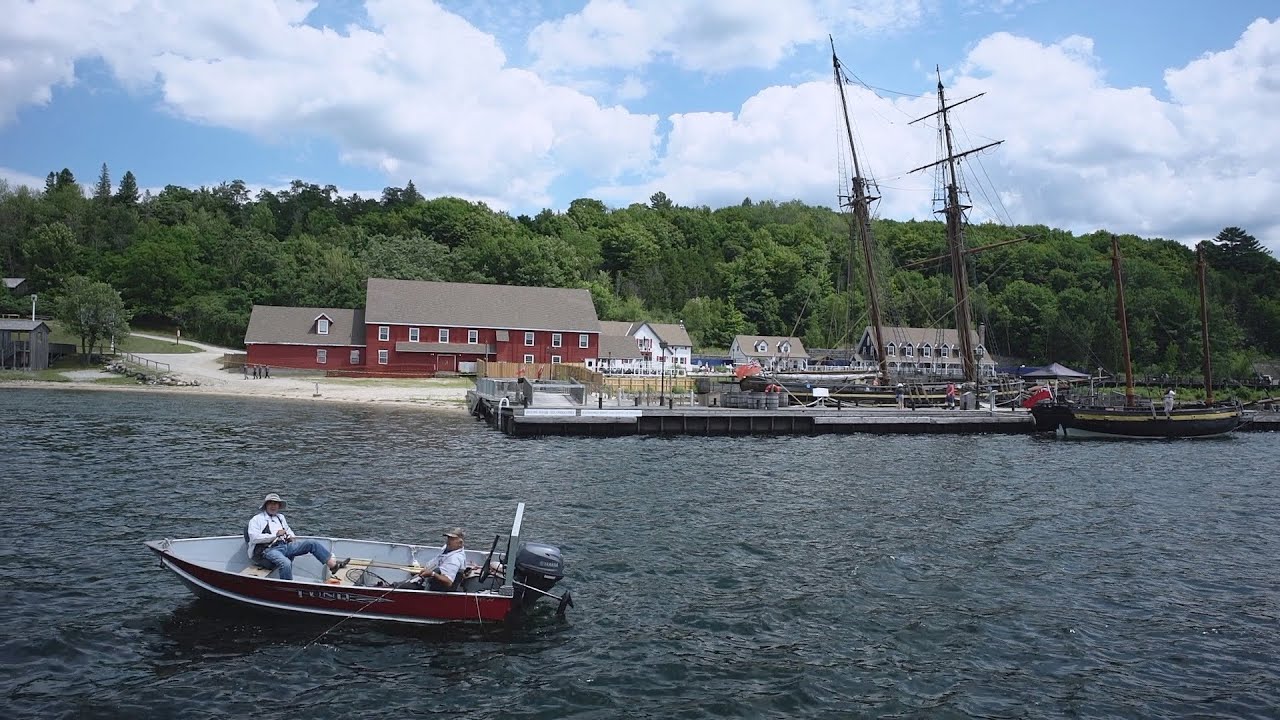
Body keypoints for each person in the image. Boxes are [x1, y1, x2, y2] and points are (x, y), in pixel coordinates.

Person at [245, 493, 349, 581]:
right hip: (267, 550)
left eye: (275, 504)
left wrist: (291, 537)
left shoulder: (280, 517)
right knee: (285, 563)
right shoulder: (256, 519)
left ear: (279, 506)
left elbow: (288, 530)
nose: (273, 506)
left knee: (311, 543)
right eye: (271, 503)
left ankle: (333, 566)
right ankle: (287, 588)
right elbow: (254, 538)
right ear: (266, 505)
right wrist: (274, 535)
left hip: (284, 546)